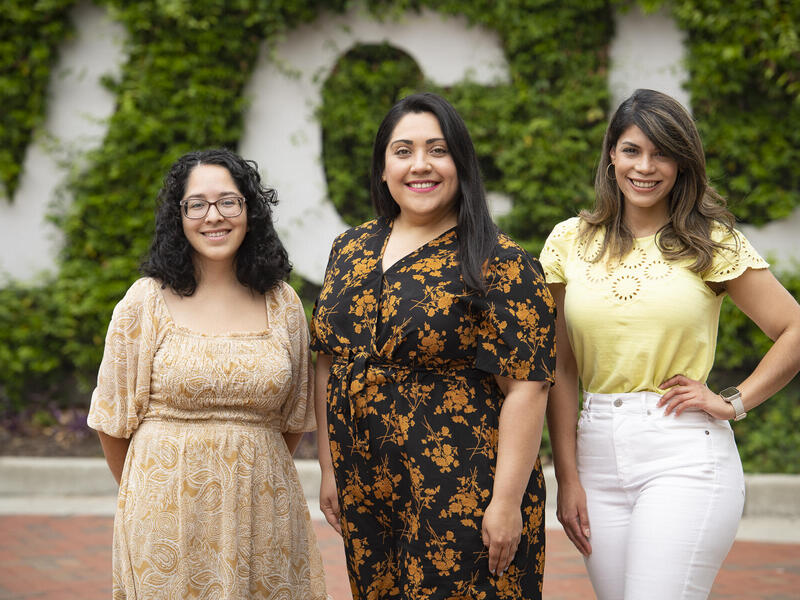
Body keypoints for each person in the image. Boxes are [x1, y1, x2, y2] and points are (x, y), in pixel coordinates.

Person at [541, 88, 800, 599]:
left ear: (683, 163)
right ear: (611, 155)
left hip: (683, 452)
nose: (645, 167)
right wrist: (567, 478)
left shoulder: (711, 241)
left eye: (661, 153)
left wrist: (733, 402)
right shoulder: (569, 241)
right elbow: (561, 369)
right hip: (595, 454)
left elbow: (794, 329)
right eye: (632, 150)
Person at [310, 92, 556, 599]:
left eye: (437, 150)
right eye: (403, 151)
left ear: (461, 164)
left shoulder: (499, 261)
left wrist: (505, 503)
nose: (420, 165)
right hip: (367, 485)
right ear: (383, 169)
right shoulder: (350, 248)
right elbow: (329, 362)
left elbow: (527, 387)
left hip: (464, 489)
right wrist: (330, 469)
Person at [87, 148, 327, 599]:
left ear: (250, 210)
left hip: (264, 515)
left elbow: (292, 419)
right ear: (178, 216)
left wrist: (247, 460)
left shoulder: (283, 303)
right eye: (196, 204)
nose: (213, 216)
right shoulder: (144, 301)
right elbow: (111, 421)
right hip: (166, 520)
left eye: (228, 202)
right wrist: (154, 491)